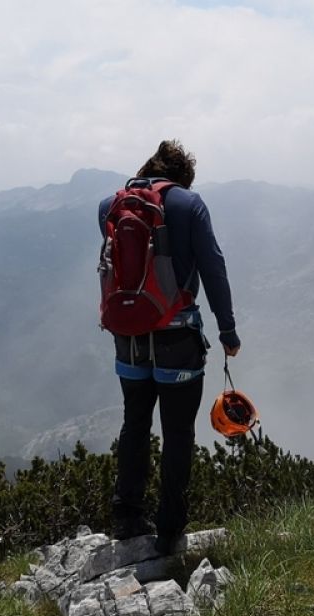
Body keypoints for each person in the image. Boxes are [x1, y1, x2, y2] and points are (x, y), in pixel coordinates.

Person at [100, 140, 241, 554]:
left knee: (134, 423)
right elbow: (213, 268)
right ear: (182, 178)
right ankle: (169, 530)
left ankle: (127, 518)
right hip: (177, 337)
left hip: (128, 337)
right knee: (177, 432)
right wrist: (228, 331)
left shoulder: (110, 206)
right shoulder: (189, 205)